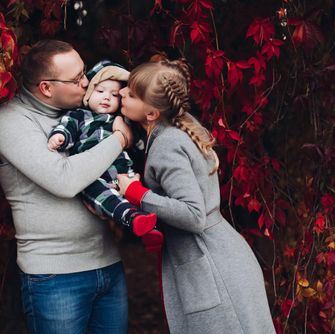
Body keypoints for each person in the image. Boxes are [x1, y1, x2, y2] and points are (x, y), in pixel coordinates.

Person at [117, 59, 276, 333]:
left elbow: (193, 214)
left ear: (152, 113)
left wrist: (136, 193)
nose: (121, 93)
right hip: (220, 257)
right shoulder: (177, 128)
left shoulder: (167, 144)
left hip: (213, 269)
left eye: (131, 94)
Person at [0, 40, 131, 334]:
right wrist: (119, 139)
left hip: (108, 265)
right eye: (77, 78)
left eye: (84, 73)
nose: (87, 82)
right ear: (46, 88)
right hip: (55, 277)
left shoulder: (92, 111)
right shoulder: (9, 122)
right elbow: (64, 180)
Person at [47, 60, 157, 237]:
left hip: (122, 172)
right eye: (100, 91)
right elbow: (67, 127)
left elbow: (138, 144)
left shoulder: (122, 119)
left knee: (138, 192)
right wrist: (60, 137)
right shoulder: (80, 115)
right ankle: (134, 218)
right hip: (94, 174)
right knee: (101, 195)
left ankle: (149, 227)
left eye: (114, 95)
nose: (107, 97)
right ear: (89, 94)